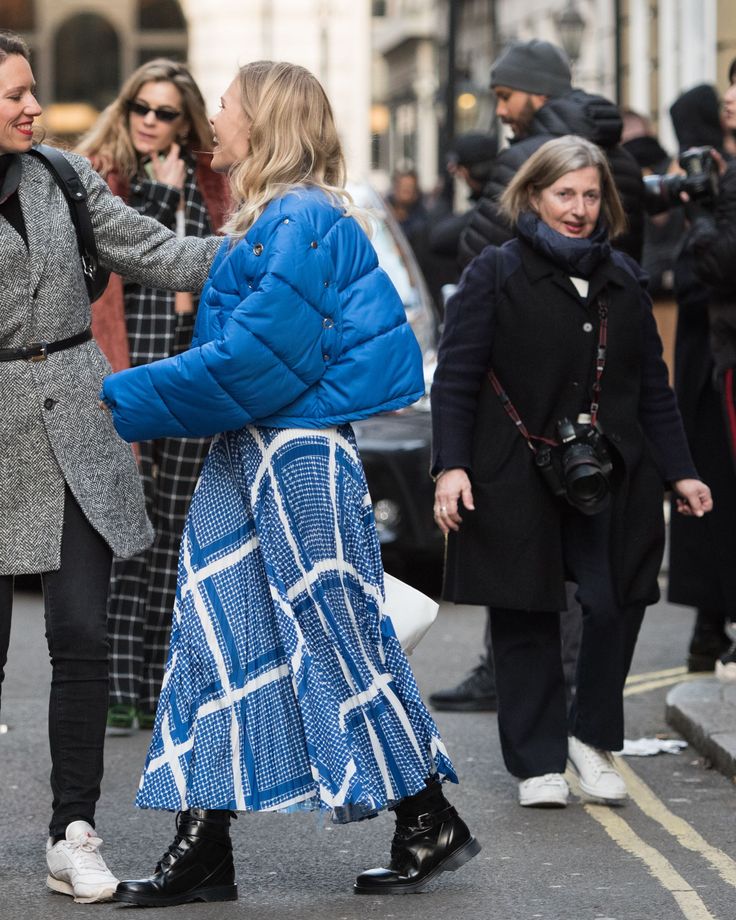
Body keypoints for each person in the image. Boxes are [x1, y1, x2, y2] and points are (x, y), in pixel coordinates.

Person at [99, 60, 480, 907]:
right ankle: (203, 848)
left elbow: (254, 363)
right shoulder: (269, 218)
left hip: (295, 455)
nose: (216, 115)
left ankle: (426, 814)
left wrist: (117, 398)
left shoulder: (302, 216)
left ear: (263, 121)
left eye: (227, 103)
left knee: (338, 638)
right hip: (252, 452)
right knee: (214, 641)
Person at [0, 31, 222, 903]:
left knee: (83, 636)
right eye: (13, 94)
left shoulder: (62, 175)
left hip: (76, 428)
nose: (32, 107)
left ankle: (72, 830)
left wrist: (263, 250)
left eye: (31, 90)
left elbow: (155, 249)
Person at [431, 134, 712, 809]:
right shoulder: (494, 273)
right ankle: (537, 763)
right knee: (525, 612)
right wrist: (452, 467)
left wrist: (682, 471)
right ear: (534, 196)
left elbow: (653, 389)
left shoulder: (624, 279)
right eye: (565, 194)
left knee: (615, 599)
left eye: (591, 195)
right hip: (514, 468)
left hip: (612, 470)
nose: (580, 208)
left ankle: (589, 736)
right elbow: (457, 380)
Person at [438, 39, 645, 712]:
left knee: (536, 573)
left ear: (537, 94)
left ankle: (539, 698)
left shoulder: (527, 161)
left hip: (538, 388)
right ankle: (557, 711)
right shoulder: (616, 153)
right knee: (584, 571)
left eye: (507, 96)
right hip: (591, 385)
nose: (502, 110)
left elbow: (481, 248)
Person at [76, 60, 231, 735]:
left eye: (166, 112)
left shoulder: (211, 185)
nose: (149, 120)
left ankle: (163, 690)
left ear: (186, 121)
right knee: (127, 539)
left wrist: (178, 215)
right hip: (125, 376)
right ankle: (120, 690)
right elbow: (135, 265)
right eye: (141, 105)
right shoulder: (97, 178)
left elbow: (204, 283)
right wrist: (164, 210)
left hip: (193, 378)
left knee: (174, 542)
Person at [670, 75, 736, 679]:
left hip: (718, 362)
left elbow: (713, 267)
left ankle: (715, 626)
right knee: (709, 492)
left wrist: (704, 216)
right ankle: (710, 627)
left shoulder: (725, 190)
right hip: (702, 362)